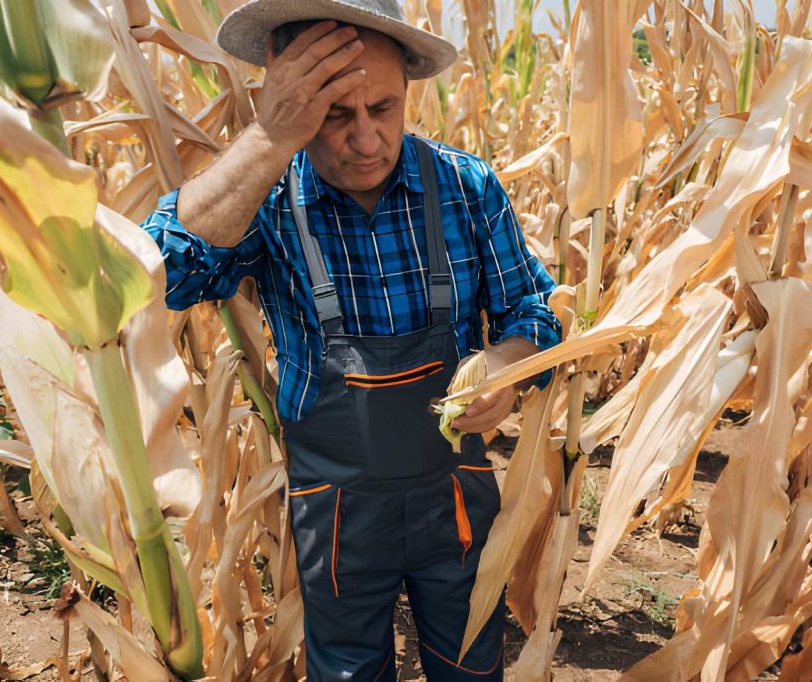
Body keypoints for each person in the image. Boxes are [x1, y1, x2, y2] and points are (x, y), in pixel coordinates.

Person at [141, 1, 561, 679]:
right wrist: (270, 139)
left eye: (384, 109)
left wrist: (508, 365)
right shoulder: (268, 202)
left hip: (453, 499)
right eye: (336, 115)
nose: (367, 139)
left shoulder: (466, 187)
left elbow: (531, 308)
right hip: (336, 516)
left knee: (472, 664)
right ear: (285, 100)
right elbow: (159, 273)